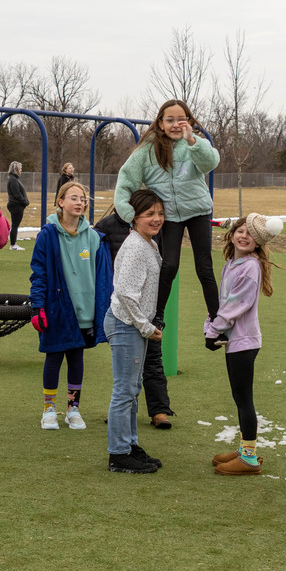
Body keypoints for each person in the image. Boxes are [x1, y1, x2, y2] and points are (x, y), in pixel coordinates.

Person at [113, 99, 220, 428]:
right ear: (159, 123)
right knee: (168, 266)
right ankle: (155, 314)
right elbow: (125, 183)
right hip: (170, 216)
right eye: (169, 119)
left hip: (198, 211)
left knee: (204, 267)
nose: (176, 124)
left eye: (181, 119)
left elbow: (211, 161)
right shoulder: (146, 152)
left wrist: (193, 140)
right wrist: (131, 215)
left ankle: (217, 321)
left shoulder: (194, 145)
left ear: (188, 121)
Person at [204, 213, 283, 476]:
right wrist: (211, 328)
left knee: (244, 400)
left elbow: (237, 305)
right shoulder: (231, 263)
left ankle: (249, 458)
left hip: (244, 342)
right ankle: (244, 448)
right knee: (239, 398)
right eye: (240, 230)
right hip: (233, 340)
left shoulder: (250, 266)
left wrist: (213, 330)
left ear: (258, 242)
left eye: (250, 234)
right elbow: (221, 302)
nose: (243, 236)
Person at [29, 181, 112, 431]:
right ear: (60, 202)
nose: (79, 202)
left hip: (85, 312)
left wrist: (103, 311)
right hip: (57, 309)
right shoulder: (47, 235)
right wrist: (37, 306)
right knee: (53, 357)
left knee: (77, 358)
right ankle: (49, 409)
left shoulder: (95, 238)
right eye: (73, 197)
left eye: (83, 198)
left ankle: (73, 409)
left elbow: (104, 280)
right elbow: (39, 272)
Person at [104, 189, 166, 473]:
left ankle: (130, 445)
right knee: (124, 390)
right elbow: (126, 295)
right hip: (126, 324)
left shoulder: (149, 244)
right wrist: (146, 326)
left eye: (160, 214)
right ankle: (118, 454)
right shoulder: (134, 248)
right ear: (135, 217)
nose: (157, 219)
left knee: (132, 389)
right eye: (149, 214)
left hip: (135, 325)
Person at [6, 162, 29, 251]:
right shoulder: (13, 180)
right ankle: (13, 244)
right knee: (15, 225)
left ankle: (13, 243)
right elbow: (17, 194)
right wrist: (25, 202)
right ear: (16, 170)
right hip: (16, 205)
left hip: (17, 205)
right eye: (20, 169)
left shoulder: (14, 179)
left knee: (15, 225)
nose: (21, 170)